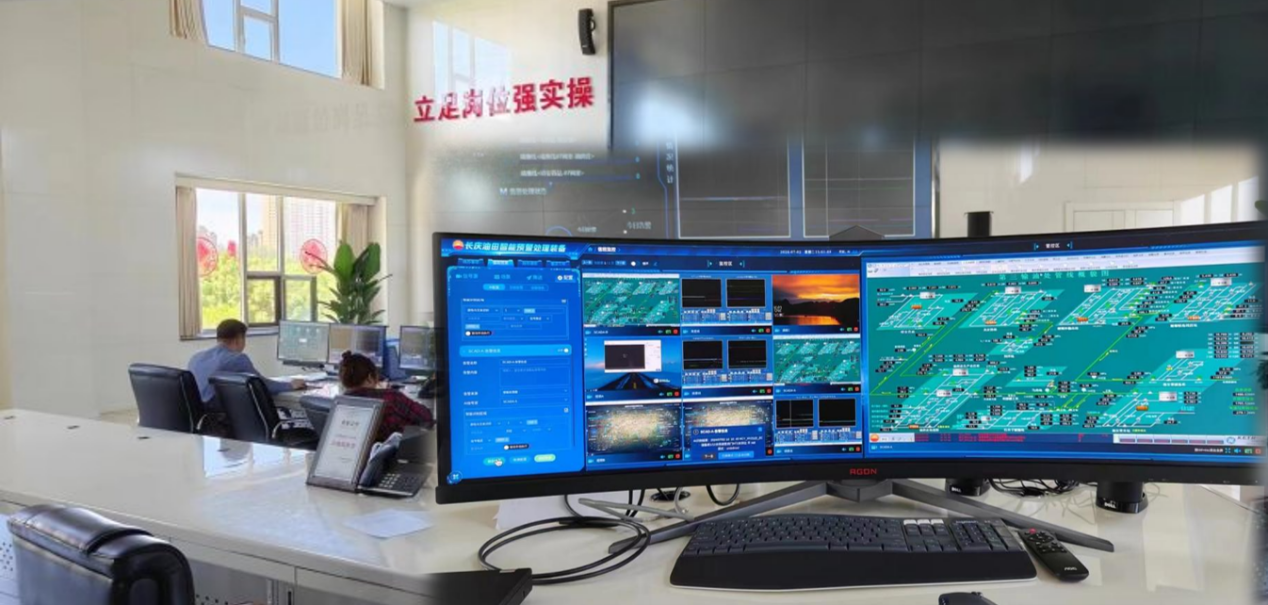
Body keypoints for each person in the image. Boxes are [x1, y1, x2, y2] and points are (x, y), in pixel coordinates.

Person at [188, 319, 304, 410]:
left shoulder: (196, 357)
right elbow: (261, 384)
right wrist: (290, 385)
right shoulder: (237, 358)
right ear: (238, 340)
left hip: (200, 412)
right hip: (218, 409)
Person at [338, 351, 434, 442]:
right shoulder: (391, 397)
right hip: (398, 451)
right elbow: (426, 417)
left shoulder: (338, 406)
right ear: (370, 378)